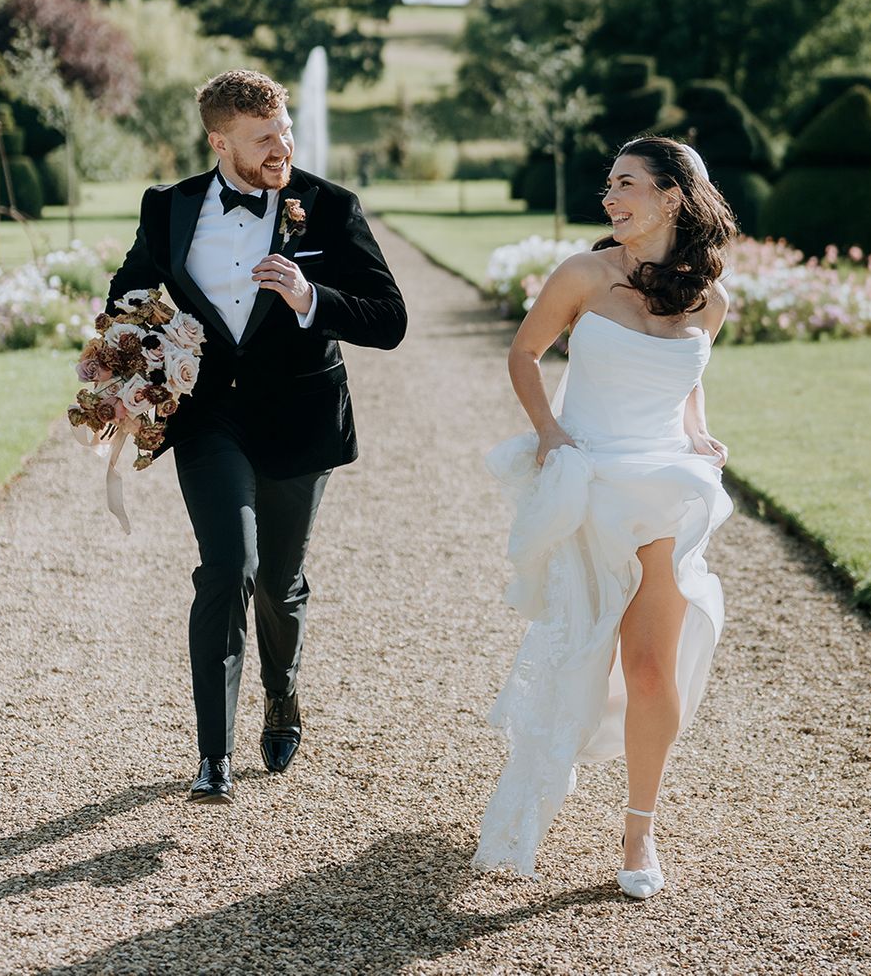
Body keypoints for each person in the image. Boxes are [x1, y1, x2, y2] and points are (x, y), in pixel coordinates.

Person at [106, 69, 407, 805]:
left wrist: (310, 298)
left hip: (301, 418)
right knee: (227, 567)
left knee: (278, 583)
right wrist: (136, 356)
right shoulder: (169, 207)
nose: (284, 146)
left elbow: (390, 319)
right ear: (219, 141)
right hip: (210, 417)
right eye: (264, 137)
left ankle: (283, 692)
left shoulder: (330, 208)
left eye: (286, 131)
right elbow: (129, 293)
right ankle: (214, 755)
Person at [472, 137, 736, 898]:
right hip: (591, 486)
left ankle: (640, 830)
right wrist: (551, 434)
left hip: (667, 490)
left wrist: (695, 430)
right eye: (609, 185)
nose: (610, 196)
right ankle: (551, 779)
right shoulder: (584, 275)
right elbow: (525, 354)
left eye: (627, 184)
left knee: (652, 667)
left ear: (672, 198)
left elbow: (689, 378)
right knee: (582, 659)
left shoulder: (711, 299)